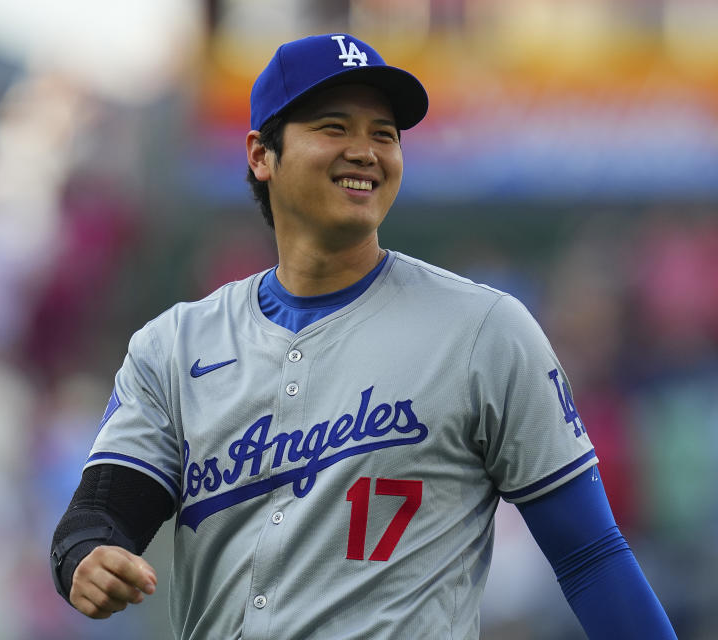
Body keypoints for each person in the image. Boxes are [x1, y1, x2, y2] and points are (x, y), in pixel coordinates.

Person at [51, 34, 677, 639]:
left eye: (384, 134)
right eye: (334, 127)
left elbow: (591, 556)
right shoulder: (174, 346)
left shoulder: (483, 330)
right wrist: (87, 557)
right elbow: (103, 513)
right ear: (261, 154)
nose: (365, 150)